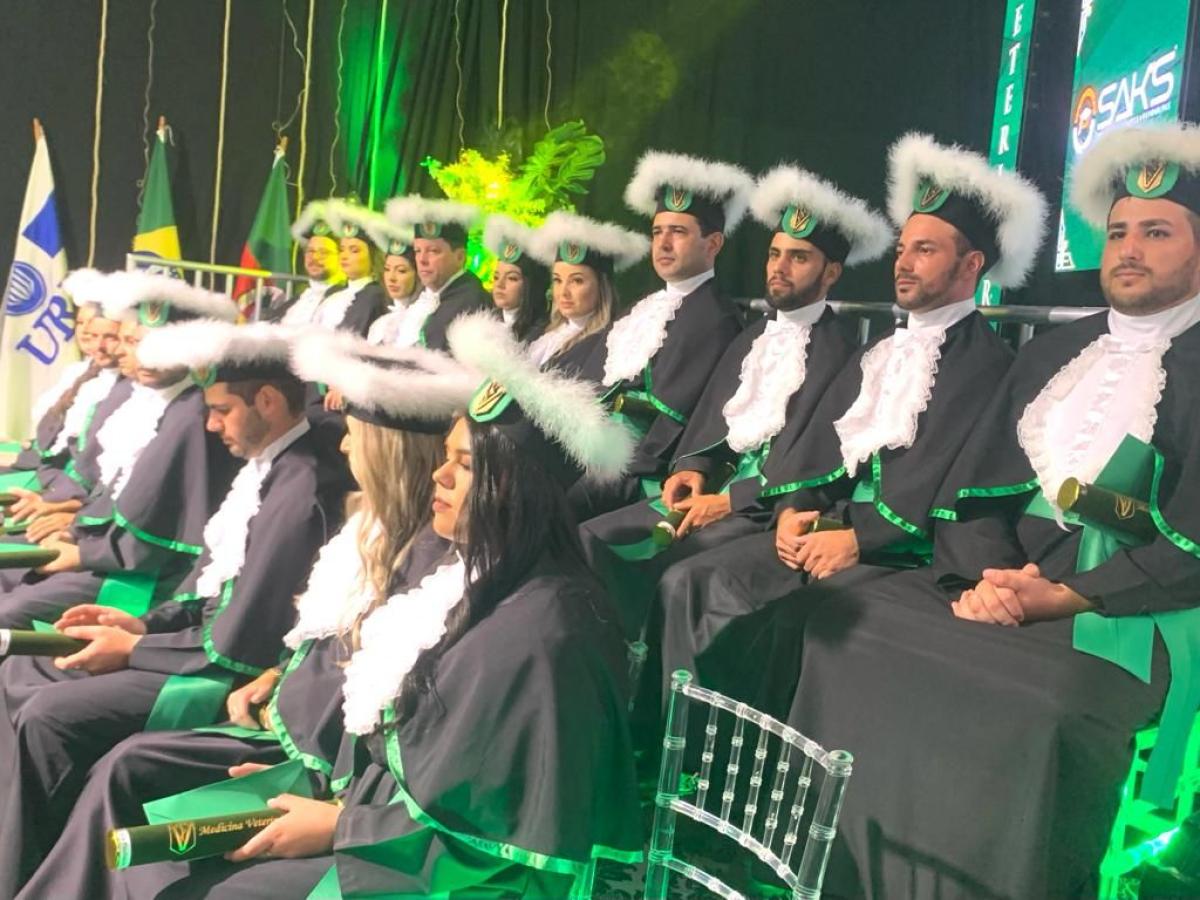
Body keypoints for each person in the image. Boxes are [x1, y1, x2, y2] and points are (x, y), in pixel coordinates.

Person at [787, 122, 1200, 899]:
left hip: (1132, 611)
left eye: (1157, 232)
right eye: (1118, 232)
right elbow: (976, 492)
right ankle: (847, 877)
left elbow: (1190, 545)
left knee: (1044, 712)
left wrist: (1066, 594)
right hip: (1008, 587)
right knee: (842, 627)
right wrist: (990, 580)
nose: (1128, 249)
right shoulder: (1052, 352)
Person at [113, 312, 642, 898]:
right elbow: (411, 753)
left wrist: (342, 825)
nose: (440, 475)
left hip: (438, 873)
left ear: (518, 489)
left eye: (466, 465)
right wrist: (318, 791)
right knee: (165, 850)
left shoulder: (544, 630)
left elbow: (495, 836)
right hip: (386, 831)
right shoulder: (471, 578)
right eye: (446, 456)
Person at [17, 330, 474, 899]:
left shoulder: (315, 496)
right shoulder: (364, 518)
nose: (342, 446)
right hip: (286, 713)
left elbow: (249, 641)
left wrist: (139, 647)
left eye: (356, 436)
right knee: (75, 719)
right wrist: (149, 628)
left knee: (74, 730)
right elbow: (258, 612)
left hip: (284, 724)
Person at [649, 133, 1047, 722]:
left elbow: (941, 487)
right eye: (903, 249)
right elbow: (818, 449)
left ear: (971, 265)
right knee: (688, 581)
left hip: (894, 551)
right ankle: (677, 744)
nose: (904, 263)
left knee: (778, 622)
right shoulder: (880, 350)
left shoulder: (988, 365)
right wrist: (795, 508)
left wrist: (857, 539)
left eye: (925, 250)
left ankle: (746, 757)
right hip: (826, 528)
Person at [0, 317, 350, 895]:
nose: (210, 425)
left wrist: (136, 648)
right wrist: (140, 624)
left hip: (223, 675)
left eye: (222, 411)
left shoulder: (299, 489)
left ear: (267, 400)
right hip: (195, 650)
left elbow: (237, 642)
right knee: (25, 670)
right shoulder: (269, 468)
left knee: (49, 718)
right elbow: (211, 592)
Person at [578, 164, 892, 641]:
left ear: (830, 272)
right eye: (774, 254)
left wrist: (728, 501)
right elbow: (711, 424)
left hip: (759, 509)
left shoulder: (840, 355)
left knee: (675, 571)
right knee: (592, 539)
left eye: (798, 258)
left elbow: (809, 466)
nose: (779, 268)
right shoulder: (751, 338)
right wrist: (693, 468)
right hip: (711, 493)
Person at [0, 272, 242, 628]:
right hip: (106, 549)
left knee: (8, 611)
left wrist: (81, 551)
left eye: (152, 343)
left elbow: (159, 537)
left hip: (145, 572)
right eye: (130, 341)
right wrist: (74, 527)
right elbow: (112, 498)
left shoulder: (192, 416)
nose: (137, 355)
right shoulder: (146, 400)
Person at [569, 151, 751, 520]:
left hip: (634, 469)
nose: (663, 244)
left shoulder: (717, 318)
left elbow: (673, 424)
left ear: (713, 244)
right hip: (588, 447)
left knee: (545, 499)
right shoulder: (640, 309)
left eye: (678, 232)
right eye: (657, 232)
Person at [526, 211, 645, 379]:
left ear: (601, 287)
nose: (563, 292)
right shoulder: (540, 332)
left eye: (577, 281)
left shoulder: (606, 344)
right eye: (558, 280)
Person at [384, 195, 493, 352]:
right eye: (417, 251)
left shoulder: (469, 300)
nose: (422, 260)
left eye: (433, 251)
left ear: (460, 257)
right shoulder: (430, 295)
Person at [272, 202, 347, 325]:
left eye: (323, 252)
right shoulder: (299, 297)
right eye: (310, 251)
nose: (314, 257)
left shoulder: (346, 299)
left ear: (341, 257)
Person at [481, 213, 552, 342]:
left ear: (531, 286)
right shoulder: (484, 323)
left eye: (512, 278)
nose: (499, 285)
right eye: (496, 277)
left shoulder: (543, 334)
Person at [361, 214, 424, 346]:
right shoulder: (379, 325)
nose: (391, 278)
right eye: (387, 269)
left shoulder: (424, 323)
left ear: (418, 275)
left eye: (401, 270)